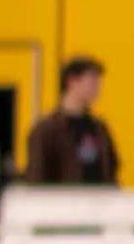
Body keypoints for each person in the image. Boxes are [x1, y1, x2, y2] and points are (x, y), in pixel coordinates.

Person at [25, 57, 121, 186]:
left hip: (99, 203)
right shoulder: (46, 130)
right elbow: (37, 175)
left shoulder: (99, 128)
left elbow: (111, 168)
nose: (98, 88)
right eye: (92, 82)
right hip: (64, 203)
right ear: (72, 82)